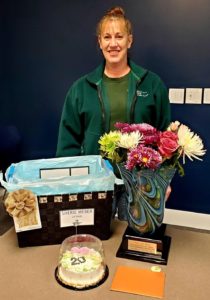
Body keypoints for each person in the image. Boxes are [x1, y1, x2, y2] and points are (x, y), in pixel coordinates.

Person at [56, 6, 171, 218]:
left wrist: (162, 180)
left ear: (130, 40)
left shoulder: (152, 84)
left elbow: (165, 138)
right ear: (99, 42)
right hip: (94, 181)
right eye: (107, 37)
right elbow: (68, 141)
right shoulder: (80, 89)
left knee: (133, 237)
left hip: (139, 180)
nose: (113, 43)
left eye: (119, 36)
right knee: (96, 240)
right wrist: (68, 182)